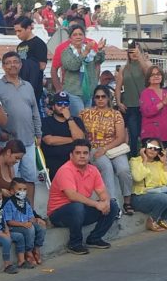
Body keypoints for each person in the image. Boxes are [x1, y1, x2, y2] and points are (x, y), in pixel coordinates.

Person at [47, 139, 119, 254]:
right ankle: (74, 243)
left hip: (80, 211)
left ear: (89, 155)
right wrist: (97, 204)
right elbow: (72, 196)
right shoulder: (65, 170)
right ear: (71, 155)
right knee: (77, 206)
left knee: (113, 205)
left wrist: (105, 202)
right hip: (59, 214)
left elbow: (102, 191)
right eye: (78, 153)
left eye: (85, 153)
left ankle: (94, 238)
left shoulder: (93, 170)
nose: (82, 156)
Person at [0, 52, 41, 207]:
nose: (12, 65)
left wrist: (38, 133)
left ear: (20, 65)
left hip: (28, 141)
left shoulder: (28, 86)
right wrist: (1, 134)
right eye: (8, 62)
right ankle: (12, 213)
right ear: (3, 66)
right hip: (9, 145)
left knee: (30, 179)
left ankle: (30, 211)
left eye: (15, 62)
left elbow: (35, 111)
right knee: (10, 181)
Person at [79, 85, 133, 215]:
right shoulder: (85, 113)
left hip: (114, 147)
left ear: (109, 98)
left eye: (103, 96)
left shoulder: (116, 114)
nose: (100, 99)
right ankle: (113, 205)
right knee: (106, 167)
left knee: (124, 169)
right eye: (97, 97)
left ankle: (128, 201)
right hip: (94, 148)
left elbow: (120, 137)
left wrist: (105, 148)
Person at [129, 139, 167, 231]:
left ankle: (161, 220)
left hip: (157, 193)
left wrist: (165, 163)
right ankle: (152, 221)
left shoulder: (159, 163)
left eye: (156, 149)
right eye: (150, 147)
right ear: (145, 148)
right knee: (164, 198)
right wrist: (145, 160)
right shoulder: (135, 161)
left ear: (159, 151)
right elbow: (138, 177)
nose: (152, 150)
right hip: (140, 196)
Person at [60, 25, 106, 115]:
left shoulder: (89, 50)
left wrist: (99, 50)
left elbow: (99, 60)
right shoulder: (66, 52)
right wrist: (85, 53)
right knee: (80, 120)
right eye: (75, 35)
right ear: (70, 38)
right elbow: (73, 66)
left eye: (80, 34)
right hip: (74, 92)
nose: (78, 37)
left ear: (84, 37)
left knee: (88, 122)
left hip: (89, 92)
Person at [115, 42, 151, 156]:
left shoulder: (146, 64)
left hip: (145, 106)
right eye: (131, 52)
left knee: (147, 135)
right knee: (133, 135)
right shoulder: (124, 68)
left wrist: (140, 57)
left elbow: (148, 74)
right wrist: (119, 102)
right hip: (130, 106)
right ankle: (134, 159)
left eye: (136, 51)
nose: (134, 54)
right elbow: (118, 87)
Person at [41, 91, 87, 177]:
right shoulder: (46, 122)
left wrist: (69, 119)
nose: (63, 106)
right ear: (53, 106)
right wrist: (73, 139)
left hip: (76, 161)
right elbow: (49, 140)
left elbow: (80, 139)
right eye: (59, 104)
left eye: (66, 103)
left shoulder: (76, 121)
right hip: (55, 162)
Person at [3, 178, 45, 266]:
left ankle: (36, 248)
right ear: (12, 191)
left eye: (24, 189)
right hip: (14, 226)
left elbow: (31, 217)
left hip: (26, 224)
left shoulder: (26, 202)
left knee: (40, 227)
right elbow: (9, 221)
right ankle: (28, 251)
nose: (22, 192)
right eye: (19, 189)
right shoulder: (9, 204)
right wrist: (23, 224)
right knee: (30, 229)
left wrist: (36, 220)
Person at [139, 65, 167, 145]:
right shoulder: (145, 93)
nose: (156, 76)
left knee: (163, 157)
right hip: (151, 135)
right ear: (148, 78)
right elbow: (148, 112)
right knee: (153, 157)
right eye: (153, 75)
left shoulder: (166, 92)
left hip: (166, 134)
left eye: (158, 74)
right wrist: (165, 101)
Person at [14, 16, 47, 105]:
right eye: (16, 31)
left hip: (33, 87)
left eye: (19, 31)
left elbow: (42, 66)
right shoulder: (20, 45)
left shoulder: (39, 43)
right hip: (19, 85)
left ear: (28, 28)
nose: (17, 34)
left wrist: (28, 66)